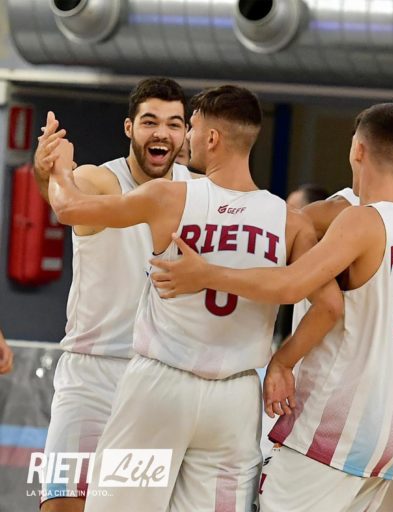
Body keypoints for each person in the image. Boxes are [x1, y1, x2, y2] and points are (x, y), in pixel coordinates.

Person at [46, 85, 342, 512]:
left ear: (212, 138)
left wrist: (58, 170)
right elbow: (330, 306)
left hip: (161, 386)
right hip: (235, 398)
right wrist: (282, 362)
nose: (186, 138)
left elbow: (69, 209)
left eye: (192, 127)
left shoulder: (170, 196)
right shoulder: (290, 221)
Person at [149, 103, 393, 512]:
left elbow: (290, 284)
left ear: (357, 149)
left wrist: (207, 274)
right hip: (387, 441)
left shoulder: (361, 220)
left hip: (332, 432)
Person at [31, 77, 192, 511]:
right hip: (91, 375)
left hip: (157, 380)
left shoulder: (198, 192)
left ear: (186, 133)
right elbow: (65, 199)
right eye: (150, 121)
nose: (162, 133)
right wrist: (47, 170)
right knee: (63, 504)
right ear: (129, 128)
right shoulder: (100, 179)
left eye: (174, 124)